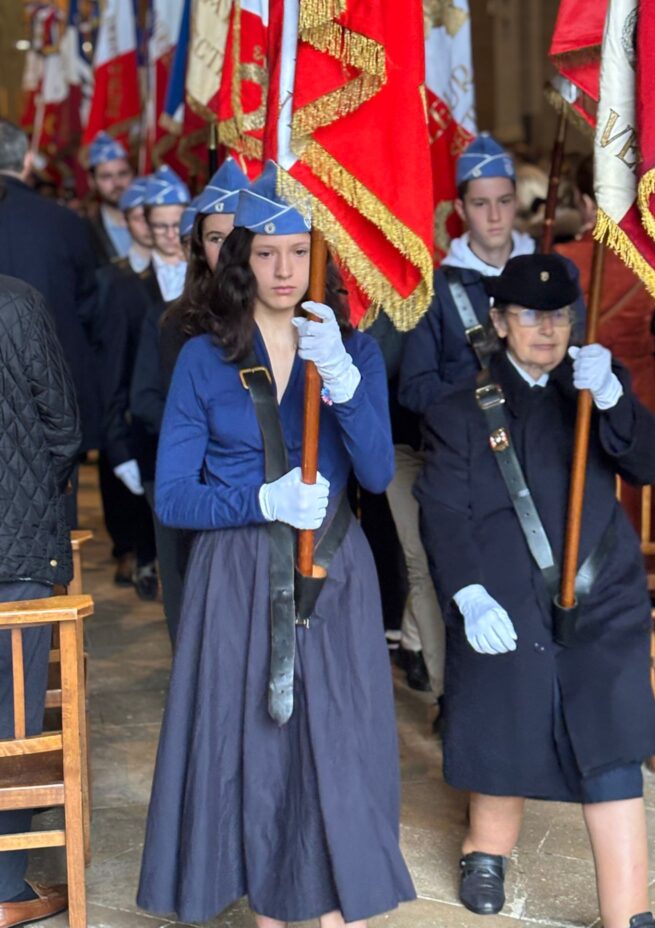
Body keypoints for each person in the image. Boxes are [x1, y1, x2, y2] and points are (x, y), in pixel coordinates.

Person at [137, 161, 414, 926]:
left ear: (319, 255)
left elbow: (382, 472)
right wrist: (259, 497)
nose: (285, 269)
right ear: (240, 258)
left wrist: (348, 386)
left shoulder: (347, 351)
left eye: (300, 251)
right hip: (236, 572)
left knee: (336, 742)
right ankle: (270, 901)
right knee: (254, 745)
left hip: (333, 568)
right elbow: (173, 495)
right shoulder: (203, 356)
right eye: (266, 252)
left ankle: (323, 901)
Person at [415, 253, 655, 928]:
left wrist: (614, 399)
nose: (547, 329)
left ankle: (630, 911)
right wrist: (468, 591)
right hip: (504, 593)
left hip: (600, 591)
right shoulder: (459, 409)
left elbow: (646, 463)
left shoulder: (592, 387)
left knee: (610, 732)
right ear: (500, 321)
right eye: (530, 315)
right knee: (510, 714)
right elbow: (444, 511)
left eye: (559, 315)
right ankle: (485, 850)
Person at [394, 134, 536, 718]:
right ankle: (452, 697)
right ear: (461, 209)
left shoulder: (538, 273)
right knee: (438, 572)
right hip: (450, 460)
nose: (495, 215)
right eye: (482, 203)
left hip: (522, 456)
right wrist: (481, 397)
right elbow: (414, 387)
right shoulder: (439, 288)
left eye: (504, 200)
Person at [131, 157, 248, 642]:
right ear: (199, 246)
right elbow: (146, 401)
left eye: (236, 235)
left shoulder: (289, 316)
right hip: (191, 486)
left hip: (249, 494)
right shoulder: (175, 322)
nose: (228, 249)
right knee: (192, 619)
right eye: (215, 238)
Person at [0, 275, 81, 927]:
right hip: (15, 545)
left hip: (16, 538)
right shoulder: (17, 303)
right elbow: (63, 426)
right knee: (13, 712)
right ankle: (3, 882)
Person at [0, 119, 101, 527]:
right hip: (52, 401)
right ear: (26, 160)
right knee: (57, 524)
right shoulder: (66, 223)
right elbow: (89, 306)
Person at [98, 166, 190, 600]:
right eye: (161, 225)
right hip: (148, 433)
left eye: (178, 224)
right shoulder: (125, 286)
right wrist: (117, 447)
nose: (171, 235)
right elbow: (113, 370)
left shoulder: (205, 281)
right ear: (147, 226)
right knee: (163, 552)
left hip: (195, 432)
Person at [556, 156, 655, 422]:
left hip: (582, 389)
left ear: (585, 202)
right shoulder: (652, 254)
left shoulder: (563, 256)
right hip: (641, 388)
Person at [87, 132, 135, 263]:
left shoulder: (153, 224)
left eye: (123, 174)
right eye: (106, 176)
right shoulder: (85, 230)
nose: (117, 183)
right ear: (92, 181)